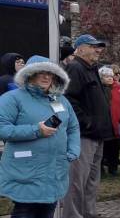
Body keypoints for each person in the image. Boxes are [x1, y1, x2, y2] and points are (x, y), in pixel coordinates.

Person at [0, 55, 80, 218]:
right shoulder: (12, 98)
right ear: (29, 74)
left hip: (54, 171)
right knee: (25, 212)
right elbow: (2, 128)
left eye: (49, 73)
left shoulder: (61, 100)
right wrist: (36, 130)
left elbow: (73, 127)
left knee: (47, 211)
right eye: (40, 72)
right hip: (25, 171)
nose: (46, 76)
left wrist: (73, 150)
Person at [62, 34, 112, 218]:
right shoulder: (75, 68)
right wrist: (86, 122)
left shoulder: (91, 69)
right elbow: (68, 99)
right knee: (77, 182)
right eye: (93, 46)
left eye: (99, 46)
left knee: (92, 181)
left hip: (97, 135)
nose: (98, 50)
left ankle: (89, 213)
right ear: (80, 48)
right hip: (83, 135)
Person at [100, 66, 120, 177]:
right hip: (104, 122)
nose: (110, 78)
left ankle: (113, 168)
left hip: (116, 121)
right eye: (106, 76)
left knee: (115, 146)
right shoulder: (99, 89)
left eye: (110, 76)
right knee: (103, 147)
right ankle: (101, 169)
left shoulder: (118, 88)